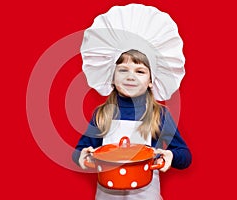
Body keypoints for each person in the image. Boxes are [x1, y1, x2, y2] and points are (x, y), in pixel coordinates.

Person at [72, 4, 192, 200]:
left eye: (140, 71)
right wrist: (82, 155)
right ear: (112, 76)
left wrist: (171, 156)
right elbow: (79, 151)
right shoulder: (102, 114)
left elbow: (184, 155)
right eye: (123, 70)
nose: (131, 77)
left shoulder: (159, 115)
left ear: (152, 80)